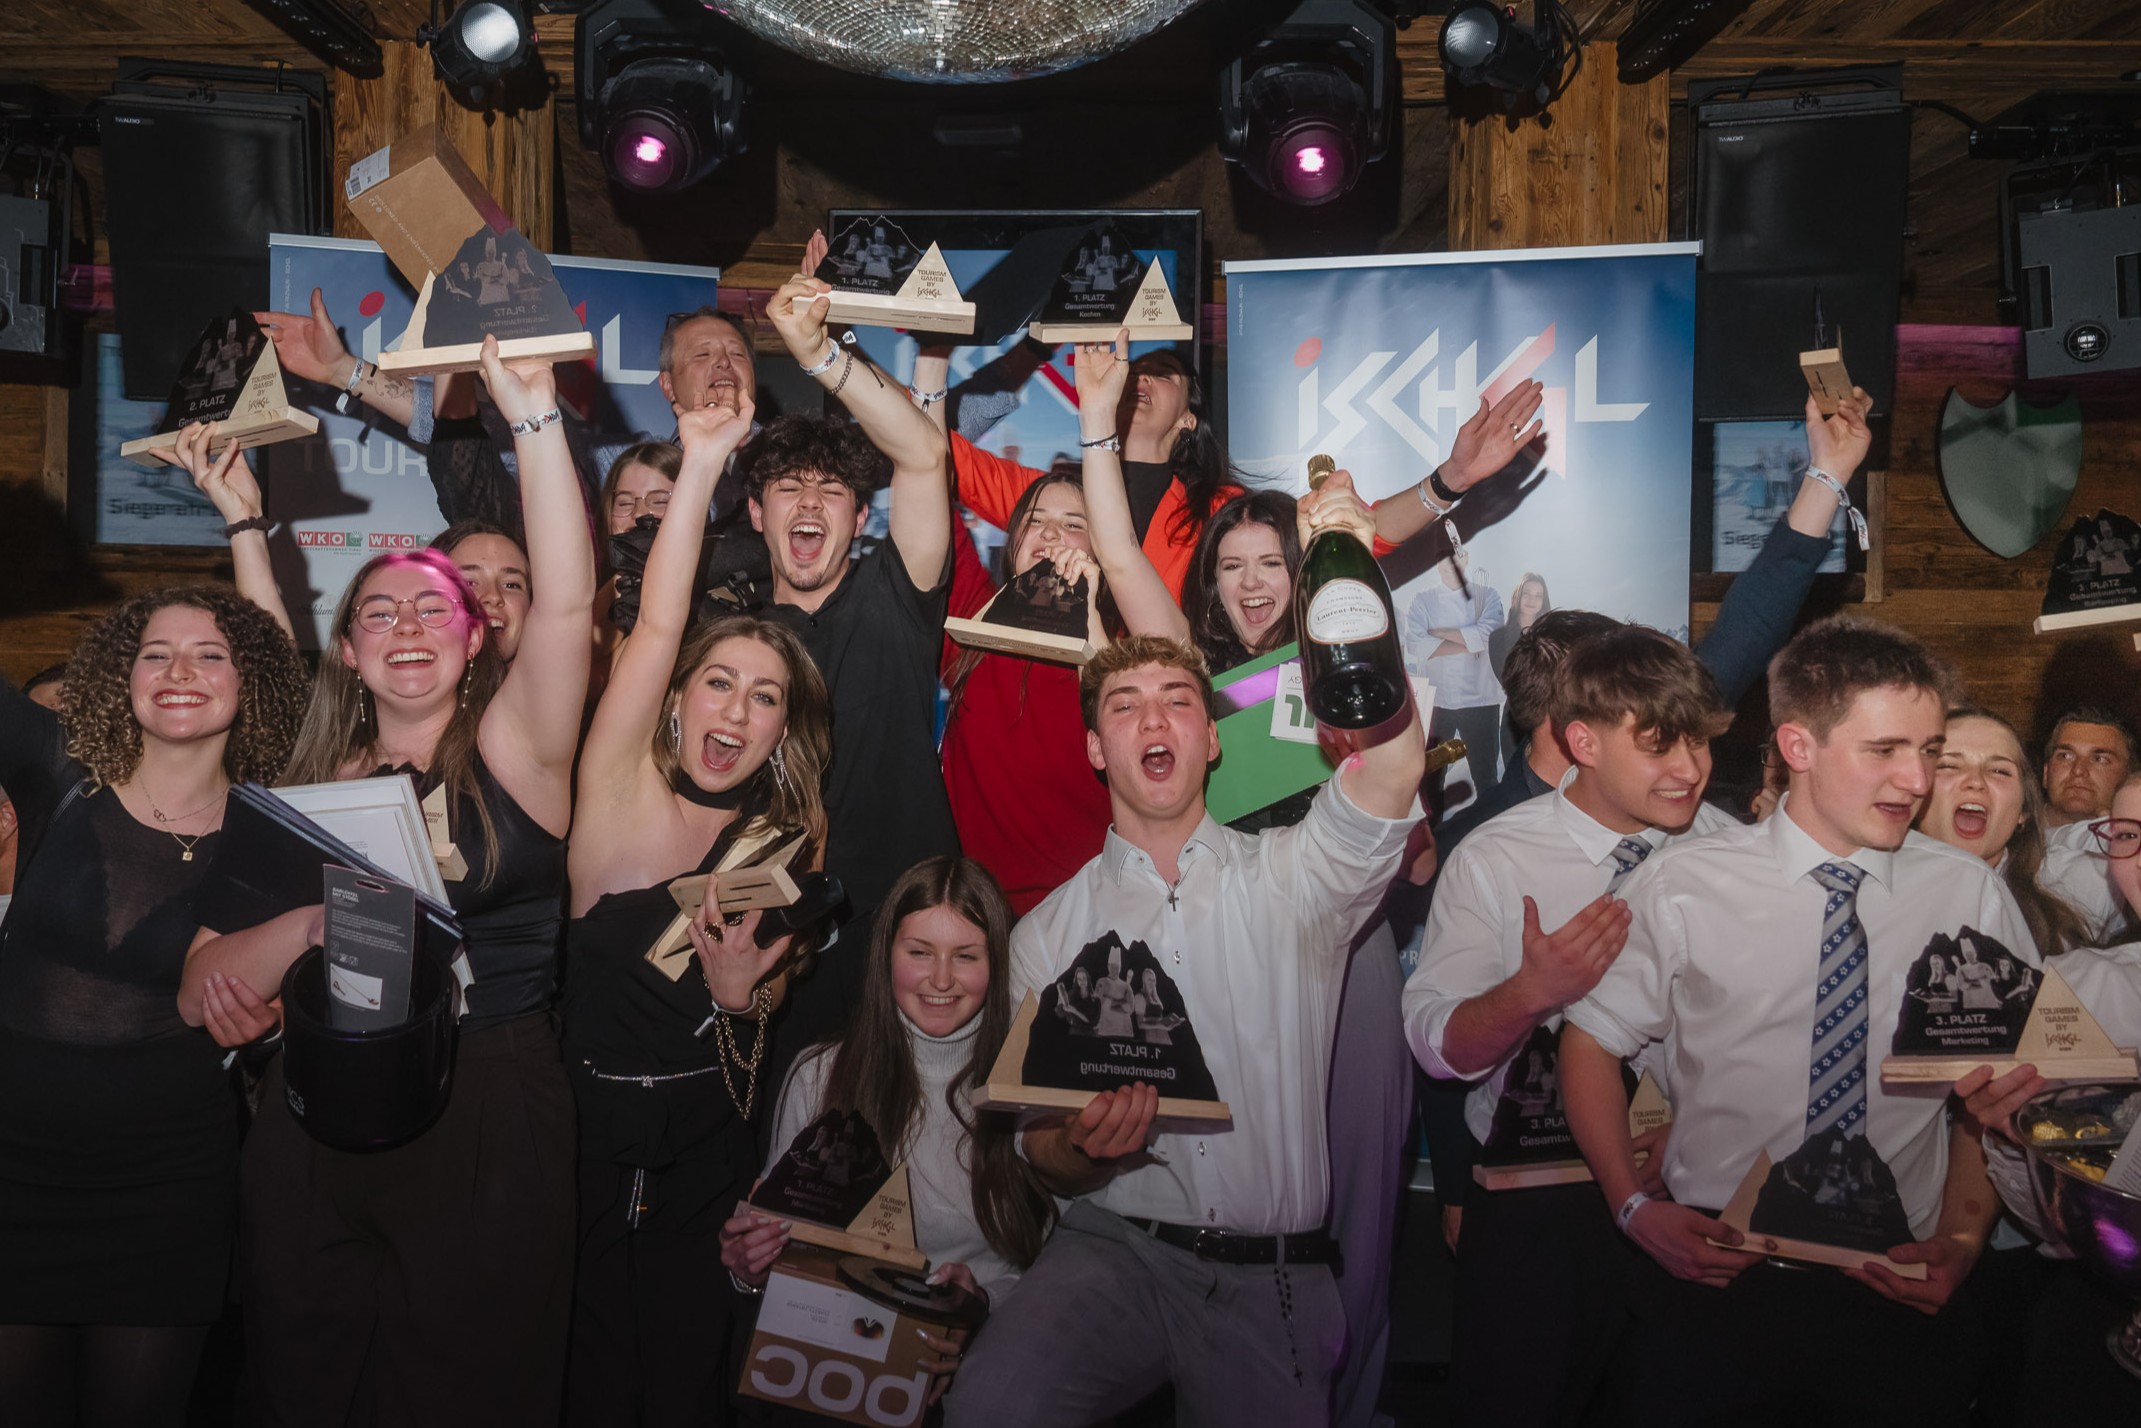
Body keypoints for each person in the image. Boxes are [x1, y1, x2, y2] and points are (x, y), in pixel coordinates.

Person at [180, 341, 595, 1425]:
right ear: (349, 654)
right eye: (378, 613)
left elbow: (563, 608)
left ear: (475, 637)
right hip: (315, 1091)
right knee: (299, 1374)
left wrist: (533, 421)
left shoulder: (519, 752)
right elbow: (268, 656)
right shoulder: (309, 776)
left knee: (467, 1386)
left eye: (433, 607)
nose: (407, 625)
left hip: (486, 1093)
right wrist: (243, 523)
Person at [1560, 615, 2038, 1423]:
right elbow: (1589, 1042)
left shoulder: (1967, 894)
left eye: (1927, 750)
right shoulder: (1683, 884)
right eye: (1884, 750)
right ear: (1797, 746)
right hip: (1715, 1276)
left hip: (1892, 1285)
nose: (1915, 779)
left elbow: (1991, 1095)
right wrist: (1630, 1208)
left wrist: (1961, 1241)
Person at [943, 634, 1425, 1428]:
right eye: (1124, 706)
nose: (1153, 719)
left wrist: (1345, 600)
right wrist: (1082, 1146)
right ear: (1095, 749)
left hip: (1268, 1272)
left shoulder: (1298, 878)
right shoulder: (1045, 937)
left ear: (1211, 739)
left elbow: (1396, 766)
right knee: (990, 1406)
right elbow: (1040, 1150)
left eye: (1177, 700)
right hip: (1113, 1248)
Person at [1076, 333, 1415, 1428]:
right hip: (1220, 942)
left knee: (1357, 1191)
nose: (1255, 581)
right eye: (1234, 565)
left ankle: (1346, 1404)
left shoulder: (1349, 663)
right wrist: (1095, 428)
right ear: (1211, 580)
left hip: (1346, 935)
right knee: (1232, 1182)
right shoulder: (1186, 672)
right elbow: (1119, 555)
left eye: (1274, 561)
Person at [0, 491, 306, 1428]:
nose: (180, 672)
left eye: (211, 654)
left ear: (251, 681)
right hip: (11, 1168)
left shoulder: (279, 835)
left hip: (166, 1184)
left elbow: (284, 995)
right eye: (155, 653)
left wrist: (269, 1023)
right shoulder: (55, 771)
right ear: (118, 676)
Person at [558, 383, 829, 1426]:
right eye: (719, 684)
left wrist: (739, 998)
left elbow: (751, 1044)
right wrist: (706, 458)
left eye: (765, 698)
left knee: (684, 1394)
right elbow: (661, 619)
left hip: (707, 1167)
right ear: (675, 700)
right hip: (579, 1149)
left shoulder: (783, 846)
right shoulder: (614, 794)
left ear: (780, 732)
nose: (737, 710)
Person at [1401, 624, 1737, 1427]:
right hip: (1536, 1208)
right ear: (1582, 742)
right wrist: (1529, 993)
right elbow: (1435, 1048)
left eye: (1698, 742)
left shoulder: (1735, 853)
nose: (1688, 769)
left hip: (1690, 1189)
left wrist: (1703, 1129)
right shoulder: (1495, 857)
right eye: (1658, 746)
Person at [1432, 387, 1874, 856]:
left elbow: (1751, 624)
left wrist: (1827, 474)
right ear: (1574, 731)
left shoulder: (1667, 731)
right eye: (1653, 736)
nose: (1685, 765)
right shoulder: (1478, 849)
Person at [721, 856, 1057, 1408]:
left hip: (984, 1375)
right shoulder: (820, 1076)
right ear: (886, 955)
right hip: (831, 1375)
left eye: (966, 955)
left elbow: (1061, 1265)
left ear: (998, 963)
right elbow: (776, 1264)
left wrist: (983, 1307)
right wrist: (748, 1268)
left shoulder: (1029, 1090)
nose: (941, 979)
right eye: (919, 952)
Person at [752, 256, 959, 1078]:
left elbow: (923, 456)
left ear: (862, 517)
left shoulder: (893, 596)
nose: (809, 503)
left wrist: (818, 353)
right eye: (788, 488)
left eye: (832, 491)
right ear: (755, 512)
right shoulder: (725, 641)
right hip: (773, 944)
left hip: (903, 938)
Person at [1916, 706, 2094, 957]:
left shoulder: (2059, 937)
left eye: (1999, 771)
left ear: (2023, 810)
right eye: (1949, 765)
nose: (1975, 781)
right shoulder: (1867, 905)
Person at [1405, 546, 1506, 791]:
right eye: (1443, 558)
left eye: (1456, 556)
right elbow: (1415, 644)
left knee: (1487, 781)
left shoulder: (1487, 595)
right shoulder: (1423, 600)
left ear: (1466, 558)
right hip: (1437, 703)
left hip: (1481, 702)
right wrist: (1469, 642)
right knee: (1430, 782)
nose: (1450, 563)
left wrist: (1438, 633)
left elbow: (1489, 636)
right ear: (1436, 564)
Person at [1488, 571, 1549, 683]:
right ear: (1517, 596)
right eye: (1526, 593)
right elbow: (1505, 678)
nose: (1532, 600)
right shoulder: (1497, 638)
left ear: (1543, 602)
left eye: (1538, 596)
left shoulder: (1551, 639)